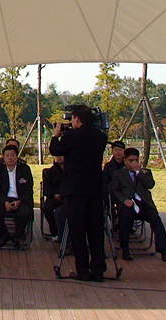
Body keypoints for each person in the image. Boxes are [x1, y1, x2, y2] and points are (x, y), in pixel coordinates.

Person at [49, 105, 108, 282]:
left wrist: (56, 135)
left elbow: (55, 150)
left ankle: (82, 270)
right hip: (95, 189)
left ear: (77, 119)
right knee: (96, 230)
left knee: (78, 231)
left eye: (72, 119)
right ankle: (98, 270)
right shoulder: (100, 137)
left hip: (75, 190)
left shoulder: (71, 136)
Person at [109, 148, 166, 262]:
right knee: (124, 218)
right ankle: (125, 249)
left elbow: (150, 185)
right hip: (128, 204)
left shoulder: (145, 172)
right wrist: (124, 200)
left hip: (144, 204)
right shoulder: (118, 174)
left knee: (156, 219)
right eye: (130, 160)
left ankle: (163, 251)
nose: (133, 163)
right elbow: (114, 190)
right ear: (125, 160)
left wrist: (139, 172)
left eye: (136, 160)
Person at [0, 145, 33, 248]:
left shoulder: (25, 169)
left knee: (26, 212)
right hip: (4, 199)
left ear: (17, 157)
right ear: (3, 158)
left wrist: (19, 201)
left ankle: (17, 237)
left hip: (20, 199)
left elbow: (29, 190)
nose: (10, 158)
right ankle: (4, 235)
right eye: (7, 156)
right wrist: (5, 202)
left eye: (12, 155)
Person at [41, 155, 65, 240]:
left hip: (68, 196)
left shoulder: (71, 170)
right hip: (54, 197)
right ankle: (55, 232)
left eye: (62, 155)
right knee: (47, 208)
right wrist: (54, 194)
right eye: (57, 156)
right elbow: (46, 188)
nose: (59, 157)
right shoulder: (50, 172)